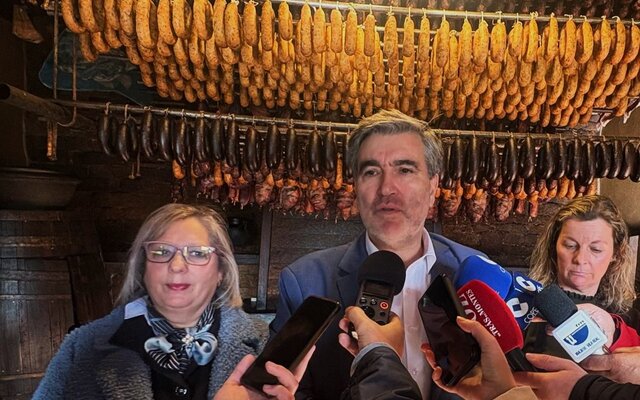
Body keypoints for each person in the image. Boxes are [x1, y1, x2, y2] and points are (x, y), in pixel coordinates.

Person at [270, 109, 484, 399]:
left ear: (433, 185)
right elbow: (286, 392)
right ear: (356, 187)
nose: (386, 189)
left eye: (405, 170)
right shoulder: (304, 282)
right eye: (371, 172)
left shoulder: (476, 274)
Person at [33, 203, 307, 400]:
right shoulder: (81, 348)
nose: (176, 265)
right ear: (143, 268)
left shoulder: (263, 347)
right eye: (161, 251)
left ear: (221, 271)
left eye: (197, 253)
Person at [526, 195, 640, 357]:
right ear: (553, 246)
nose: (580, 259)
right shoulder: (523, 309)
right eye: (570, 245)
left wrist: (615, 334)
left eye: (596, 249)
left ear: (616, 253)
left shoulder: (629, 321)